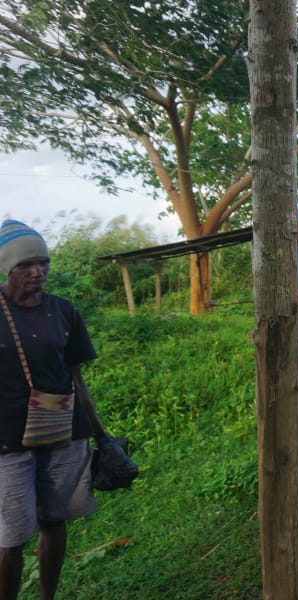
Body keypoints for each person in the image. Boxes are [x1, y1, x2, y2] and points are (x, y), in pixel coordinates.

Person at [0, 220, 111, 600]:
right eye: (26, 264)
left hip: (64, 431)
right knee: (11, 535)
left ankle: (48, 596)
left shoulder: (63, 311)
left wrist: (100, 433)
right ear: (7, 267)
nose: (37, 272)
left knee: (55, 519)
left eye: (43, 262)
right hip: (7, 441)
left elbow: (77, 378)